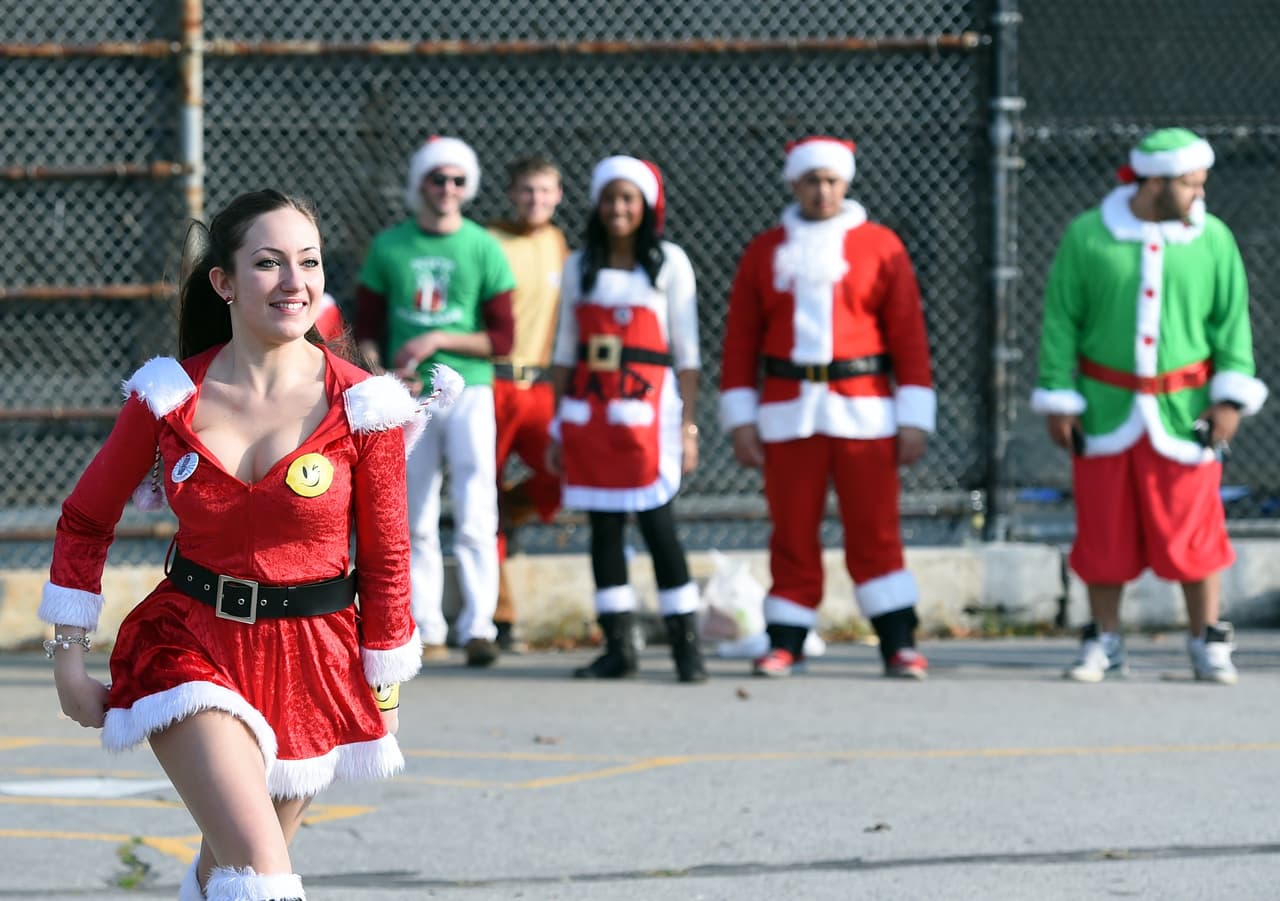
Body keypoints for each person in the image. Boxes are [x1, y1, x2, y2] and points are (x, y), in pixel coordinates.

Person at [39, 190, 435, 901]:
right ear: (223, 282)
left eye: (309, 262)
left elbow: (387, 558)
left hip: (316, 661)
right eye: (268, 263)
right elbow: (85, 518)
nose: (295, 281)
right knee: (262, 872)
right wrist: (68, 655)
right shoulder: (166, 396)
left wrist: (385, 684)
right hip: (188, 646)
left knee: (223, 872)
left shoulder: (365, 404)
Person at [1032, 127, 1268, 685]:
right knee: (1103, 531)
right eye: (1189, 184)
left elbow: (1232, 325)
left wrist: (1230, 400)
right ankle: (1105, 642)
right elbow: (1060, 322)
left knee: (1195, 531)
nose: (1199, 194)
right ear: (1155, 182)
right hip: (1104, 411)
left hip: (1185, 417)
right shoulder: (1088, 236)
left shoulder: (1214, 239)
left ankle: (1205, 640)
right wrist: (1058, 398)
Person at [719, 136, 936, 680]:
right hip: (788, 411)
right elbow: (741, 341)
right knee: (791, 531)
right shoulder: (763, 250)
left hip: (864, 410)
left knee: (875, 529)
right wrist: (741, 418)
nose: (822, 191)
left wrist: (913, 416)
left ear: (846, 183)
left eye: (832, 181)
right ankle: (786, 640)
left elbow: (908, 335)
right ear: (793, 183)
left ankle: (898, 642)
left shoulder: (881, 246)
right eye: (812, 181)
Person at [355, 136, 516, 667]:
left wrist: (439, 339)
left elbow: (502, 339)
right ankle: (427, 623)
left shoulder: (483, 246)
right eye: (436, 179)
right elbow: (369, 330)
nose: (447, 189)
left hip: (469, 392)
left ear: (468, 187)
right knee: (414, 513)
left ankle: (480, 626)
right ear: (419, 183)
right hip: (411, 397)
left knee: (476, 510)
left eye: (457, 180)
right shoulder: (389, 247)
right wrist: (380, 369)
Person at [547, 154, 707, 683]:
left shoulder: (669, 263)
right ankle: (619, 645)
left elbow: (687, 355)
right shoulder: (579, 266)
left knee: (660, 527)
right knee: (604, 530)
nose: (619, 208)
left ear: (646, 206)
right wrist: (557, 423)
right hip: (591, 411)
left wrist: (687, 427)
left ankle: (687, 646)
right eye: (611, 198)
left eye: (629, 199)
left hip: (650, 415)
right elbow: (565, 350)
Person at [487, 157, 571, 651]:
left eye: (544, 191)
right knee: (483, 502)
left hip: (539, 385)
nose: (535, 200)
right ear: (510, 193)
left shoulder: (559, 244)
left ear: (558, 195)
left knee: (566, 471)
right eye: (526, 191)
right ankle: (502, 618)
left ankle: (513, 513)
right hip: (492, 382)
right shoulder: (488, 241)